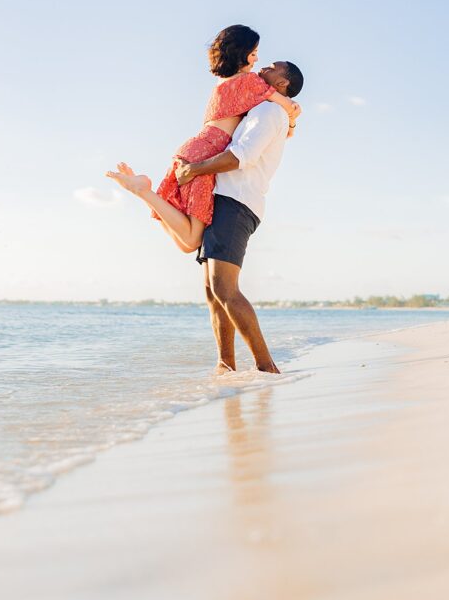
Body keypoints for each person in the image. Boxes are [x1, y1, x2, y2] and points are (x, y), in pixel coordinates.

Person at [106, 25, 300, 254]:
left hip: (195, 147)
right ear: (242, 52)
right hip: (208, 153)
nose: (257, 60)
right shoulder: (251, 82)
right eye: (254, 53)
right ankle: (143, 191)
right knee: (191, 238)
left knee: (186, 243)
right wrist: (293, 117)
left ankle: (145, 193)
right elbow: (290, 107)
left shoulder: (222, 81)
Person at [174, 60, 304, 375]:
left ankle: (266, 367)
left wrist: (193, 170)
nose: (263, 68)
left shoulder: (270, 113)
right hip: (225, 201)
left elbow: (239, 157)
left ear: (283, 83)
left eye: (272, 68)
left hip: (237, 201)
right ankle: (225, 364)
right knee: (212, 290)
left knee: (224, 288)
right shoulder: (260, 110)